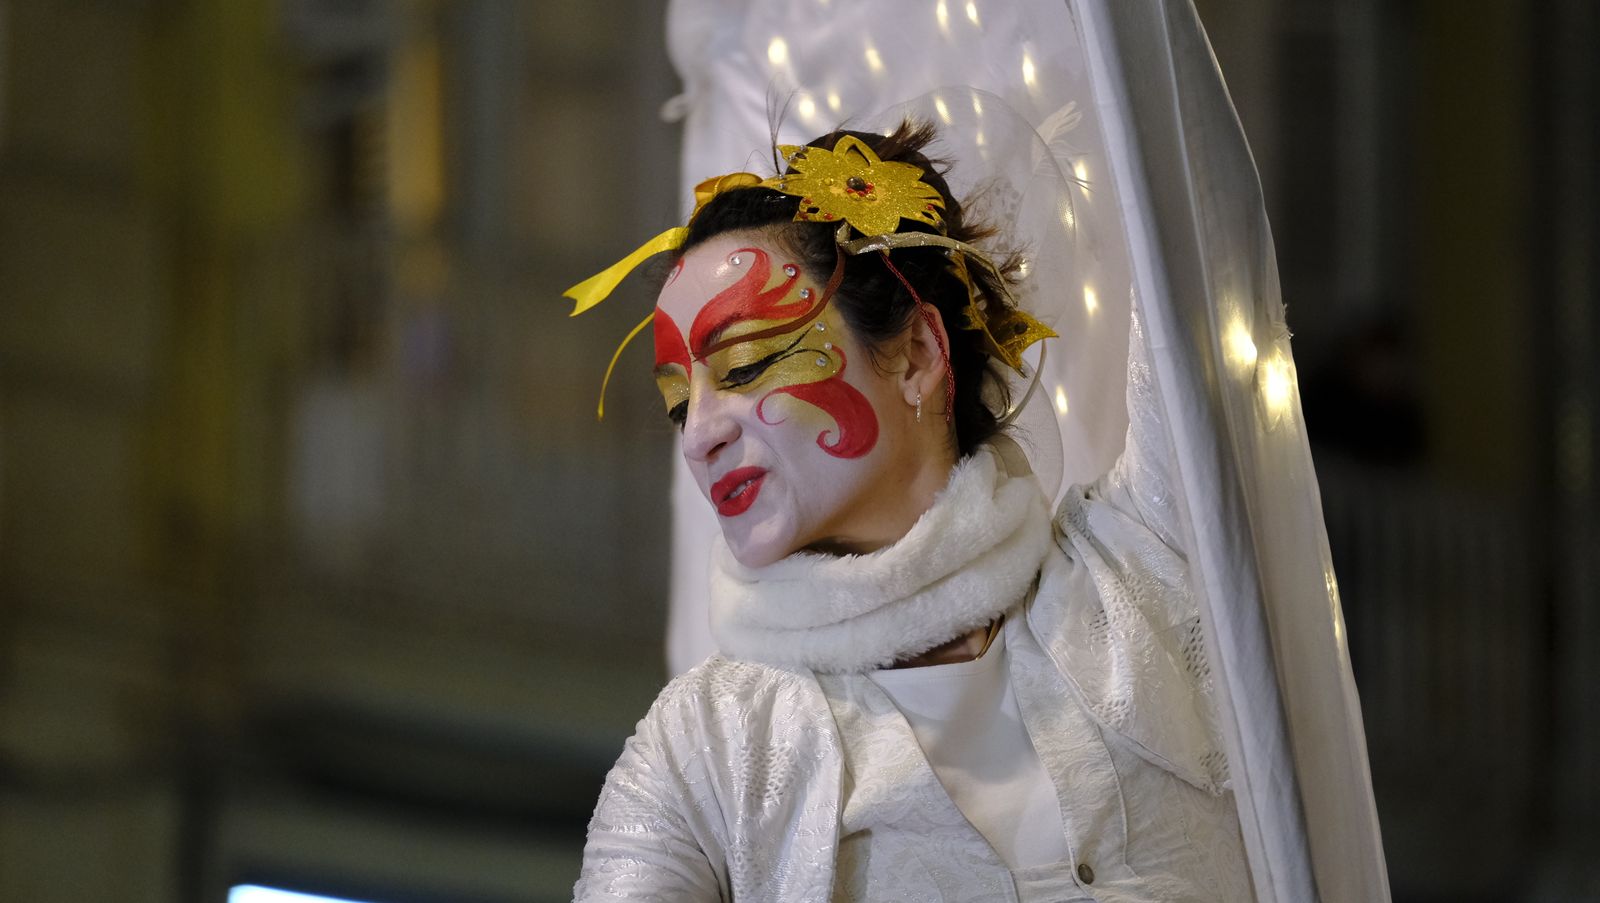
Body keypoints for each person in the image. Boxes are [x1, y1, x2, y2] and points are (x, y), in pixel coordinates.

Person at [565, 122, 1253, 901]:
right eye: (678, 405)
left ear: (919, 355)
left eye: (748, 363)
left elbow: (1202, 206)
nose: (698, 435)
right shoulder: (701, 750)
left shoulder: (1140, 561)